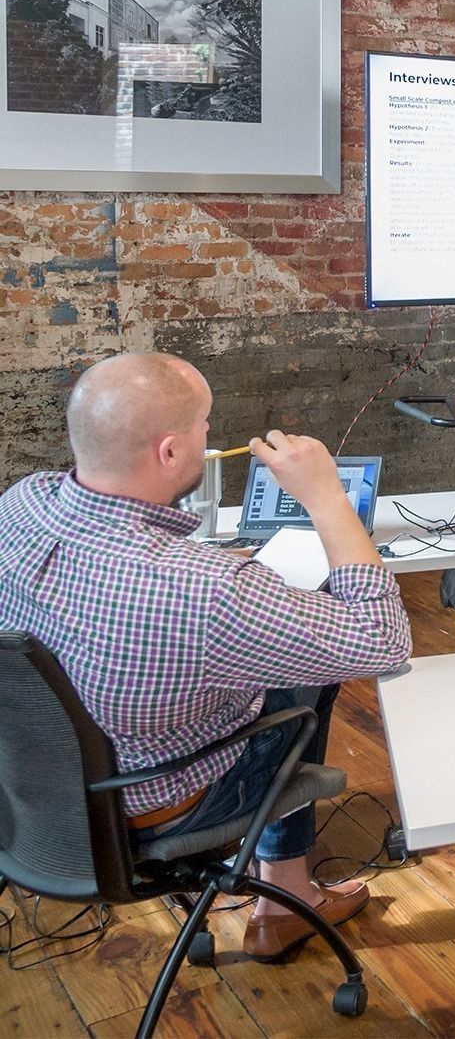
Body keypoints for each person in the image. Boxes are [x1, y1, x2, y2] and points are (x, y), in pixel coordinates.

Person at [0, 352, 412, 961]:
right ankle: (284, 900)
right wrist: (326, 498)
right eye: (204, 427)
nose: (208, 439)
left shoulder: (19, 504)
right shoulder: (205, 586)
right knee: (313, 674)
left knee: (275, 656)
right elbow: (383, 641)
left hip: (34, 795)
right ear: (169, 452)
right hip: (150, 809)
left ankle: (282, 893)